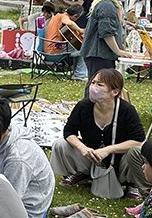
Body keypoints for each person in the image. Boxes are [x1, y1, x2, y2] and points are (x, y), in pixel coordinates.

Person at [49, 68, 145, 199]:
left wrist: (109, 150)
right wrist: (83, 149)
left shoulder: (127, 110)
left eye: (99, 84)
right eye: (92, 82)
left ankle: (131, 183)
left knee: (136, 151)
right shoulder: (83, 106)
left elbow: (138, 140)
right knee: (61, 144)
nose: (93, 87)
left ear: (114, 92)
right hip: (91, 156)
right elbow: (69, 132)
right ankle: (81, 173)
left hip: (119, 159)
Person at [0, 96, 55, 218]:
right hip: (4, 191)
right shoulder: (2, 132)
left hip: (26, 212)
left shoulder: (18, 159)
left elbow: (9, 202)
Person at [79, 0, 134, 79]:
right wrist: (117, 51)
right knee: (98, 86)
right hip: (99, 55)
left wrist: (117, 44)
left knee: (102, 86)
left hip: (102, 54)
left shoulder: (108, 4)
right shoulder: (107, 5)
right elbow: (106, 32)